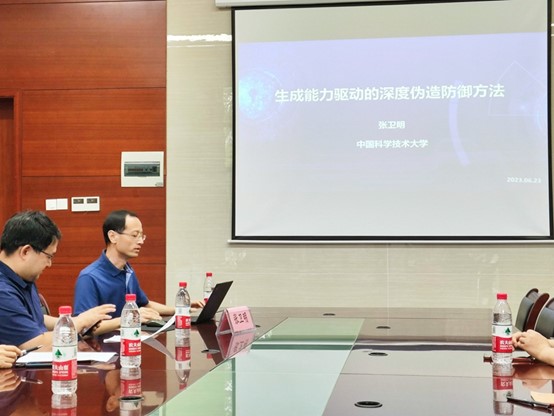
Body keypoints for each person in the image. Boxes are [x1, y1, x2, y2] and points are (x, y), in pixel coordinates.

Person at [73, 209, 204, 334]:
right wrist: (131, 317)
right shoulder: (89, 277)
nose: (140, 241)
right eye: (135, 235)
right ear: (113, 237)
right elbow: (84, 329)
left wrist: (180, 310)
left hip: (129, 341)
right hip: (101, 347)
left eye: (142, 236)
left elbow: (145, 305)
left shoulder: (128, 270)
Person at [0, 210, 115, 350]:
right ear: (26, 251)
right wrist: (78, 323)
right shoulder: (3, 291)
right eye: (49, 256)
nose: (49, 264)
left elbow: (33, 319)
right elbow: (35, 346)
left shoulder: (22, 277)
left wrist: (73, 322)